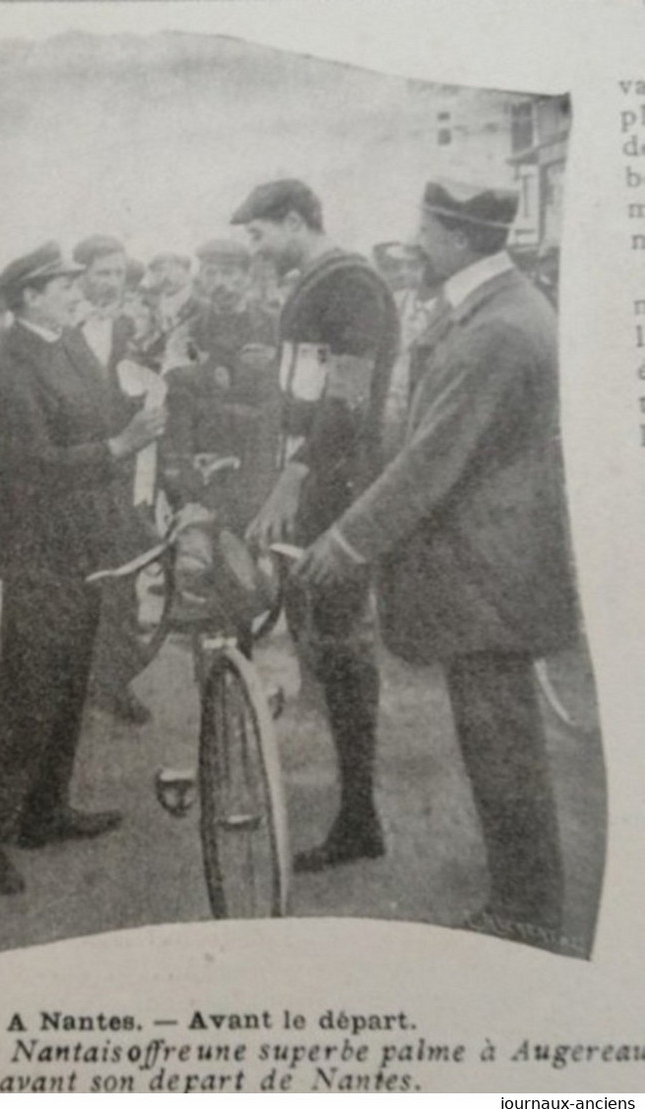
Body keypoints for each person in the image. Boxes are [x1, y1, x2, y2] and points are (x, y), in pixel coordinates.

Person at [295, 178, 578, 942]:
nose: (414, 244)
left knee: (501, 748)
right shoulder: (497, 307)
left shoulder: (495, 329)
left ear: (454, 237)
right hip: (493, 570)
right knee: (497, 743)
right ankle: (525, 899)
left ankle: (526, 911)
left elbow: (430, 460)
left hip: (490, 575)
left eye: (423, 230)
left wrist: (346, 541)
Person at [0, 242, 166, 894]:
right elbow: (32, 467)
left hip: (81, 548)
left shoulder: (69, 344)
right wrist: (122, 443)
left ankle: (43, 812)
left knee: (69, 682)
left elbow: (97, 418)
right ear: (29, 297)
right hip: (37, 551)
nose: (76, 292)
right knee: (22, 693)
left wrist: (142, 409)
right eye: (64, 285)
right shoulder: (8, 366)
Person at [234, 179, 399, 872]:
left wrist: (296, 474)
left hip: (339, 492)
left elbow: (348, 401)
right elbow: (298, 394)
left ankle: (359, 816)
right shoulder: (312, 283)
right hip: (311, 486)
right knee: (325, 649)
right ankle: (350, 805)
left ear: (296, 221)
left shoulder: (352, 284)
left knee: (344, 650)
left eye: (260, 234)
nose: (257, 248)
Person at [72, 234, 155, 726]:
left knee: (123, 576)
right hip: (80, 465)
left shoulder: (134, 328)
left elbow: (149, 392)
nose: (109, 283)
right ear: (81, 276)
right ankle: (71, 683)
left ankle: (113, 682)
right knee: (78, 576)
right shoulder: (63, 326)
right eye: (100, 272)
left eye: (117, 274)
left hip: (124, 470)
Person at [163, 238, 280, 534]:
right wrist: (186, 469)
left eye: (229, 274)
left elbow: (280, 403)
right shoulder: (188, 331)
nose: (221, 283)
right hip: (204, 464)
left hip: (260, 464)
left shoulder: (274, 328)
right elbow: (178, 404)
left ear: (247, 276)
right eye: (212, 274)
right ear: (200, 278)